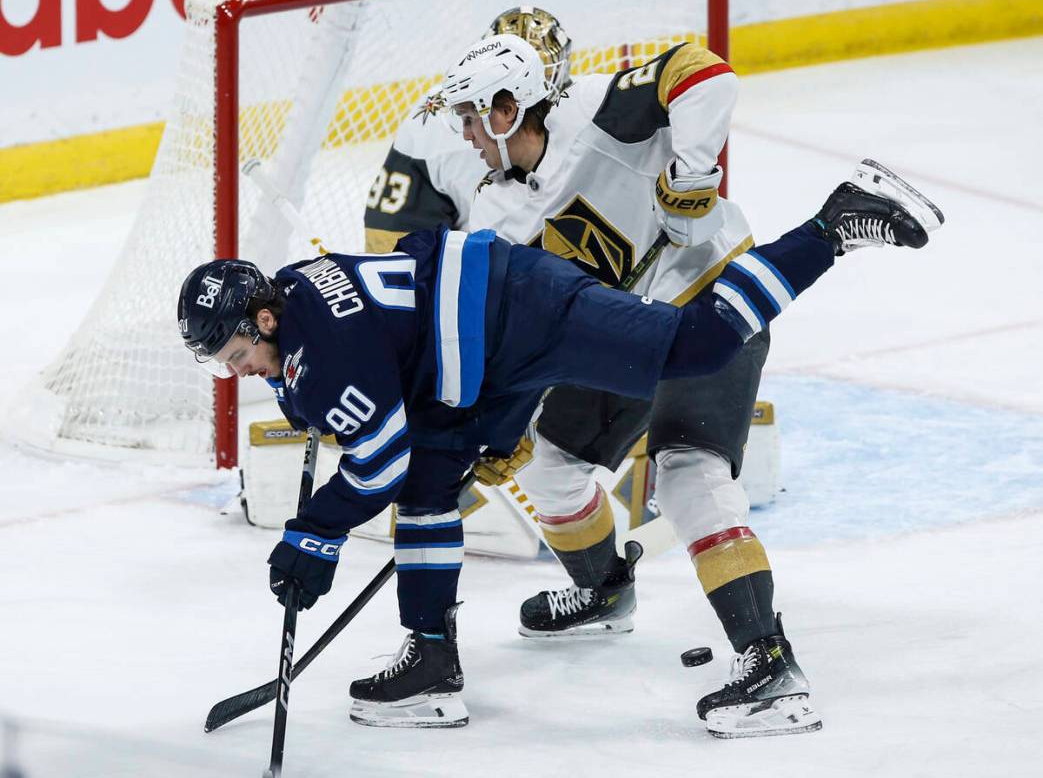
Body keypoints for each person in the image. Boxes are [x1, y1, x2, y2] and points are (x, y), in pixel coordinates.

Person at [178, 167, 940, 729]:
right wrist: (484, 428)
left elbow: (377, 458)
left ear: (266, 320)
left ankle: (834, 222)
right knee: (431, 483)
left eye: (231, 350)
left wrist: (314, 530)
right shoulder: (293, 302)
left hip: (521, 310)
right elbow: (392, 396)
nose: (230, 368)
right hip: (477, 351)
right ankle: (432, 662)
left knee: (695, 342)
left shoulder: (323, 353)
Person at [437, 33, 943, 737]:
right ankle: (602, 590)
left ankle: (768, 665)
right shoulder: (498, 207)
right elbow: (531, 321)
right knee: (550, 464)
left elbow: (705, 75)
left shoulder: (595, 109)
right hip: (622, 330)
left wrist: (692, 171)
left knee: (685, 471)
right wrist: (501, 422)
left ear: (504, 108)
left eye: (468, 116)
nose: (464, 133)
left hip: (713, 300)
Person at [362, 6, 571, 254]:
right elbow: (387, 243)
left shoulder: (576, 108)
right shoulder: (437, 130)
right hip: (433, 248)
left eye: (541, 72)